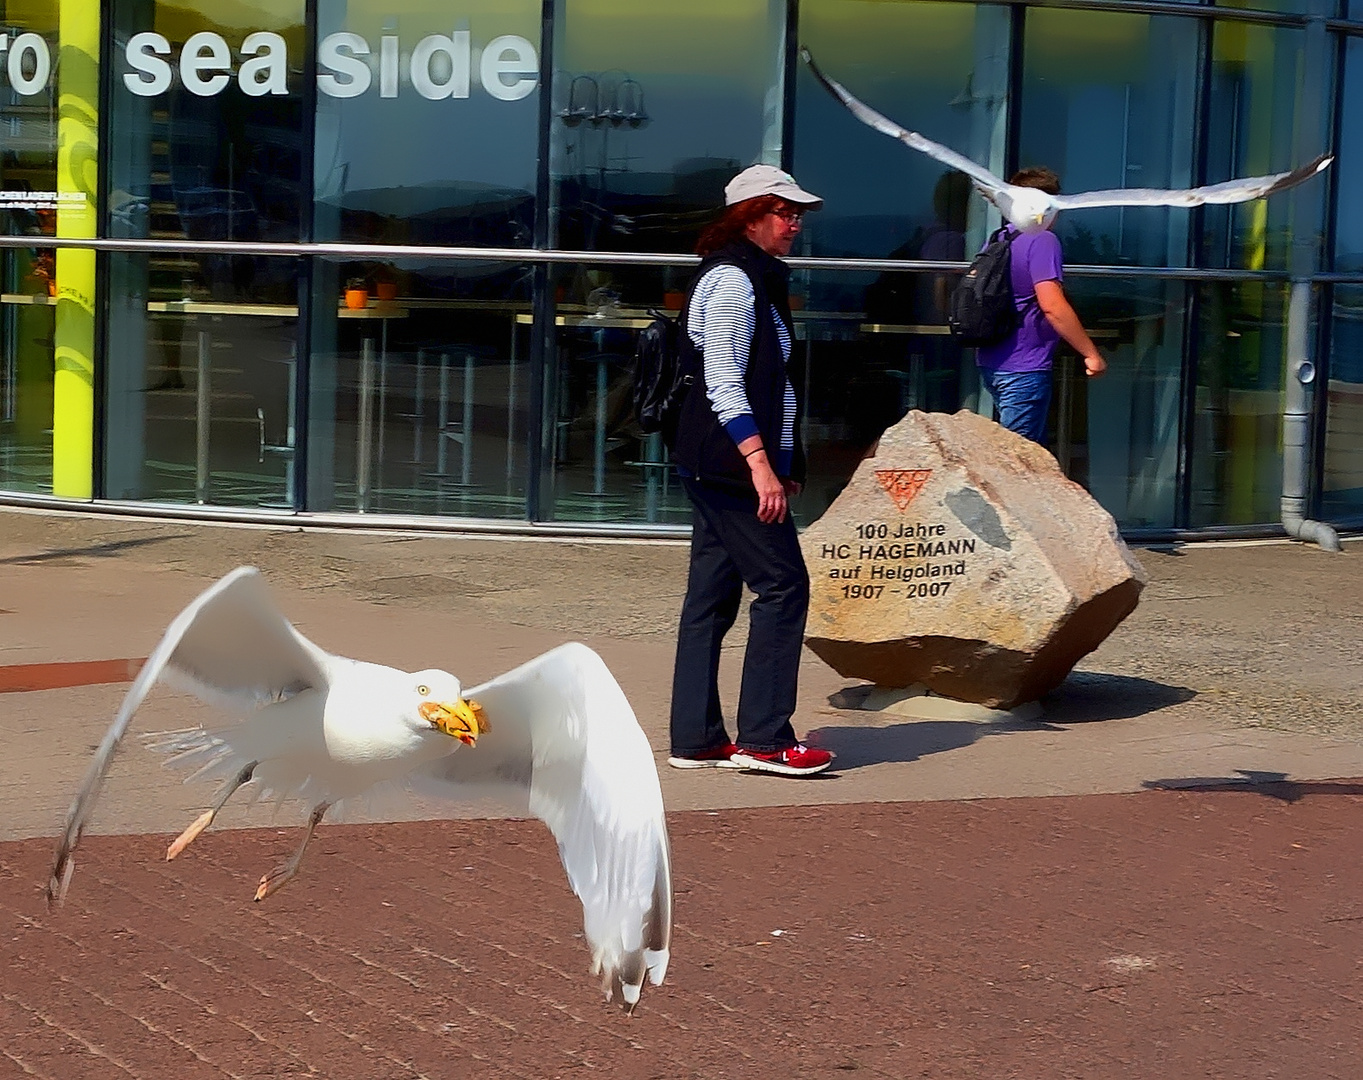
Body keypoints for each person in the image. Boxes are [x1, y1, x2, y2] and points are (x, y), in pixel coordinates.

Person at [666, 164, 834, 777]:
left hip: (712, 462)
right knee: (785, 586)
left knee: (710, 599)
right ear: (749, 216)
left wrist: (782, 462)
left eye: (798, 214)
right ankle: (764, 739)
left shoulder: (745, 276)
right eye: (783, 212)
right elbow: (725, 384)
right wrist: (762, 466)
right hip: (730, 465)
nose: (794, 223)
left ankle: (697, 739)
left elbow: (768, 386)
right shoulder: (737, 282)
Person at [975, 167, 1107, 445]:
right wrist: (1090, 353)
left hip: (993, 360)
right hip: (1025, 366)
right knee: (1019, 459)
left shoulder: (999, 238)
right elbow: (1052, 305)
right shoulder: (1042, 240)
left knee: (1012, 453)